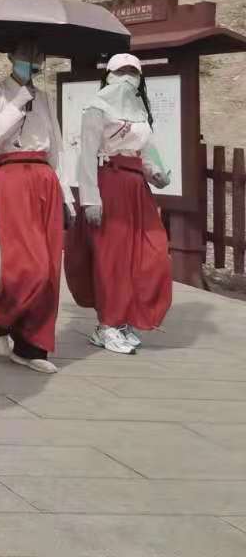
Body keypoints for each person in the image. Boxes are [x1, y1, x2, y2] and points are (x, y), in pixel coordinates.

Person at [0, 40, 74, 373]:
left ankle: (31, 345)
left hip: (45, 176)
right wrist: (19, 101)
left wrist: (67, 197)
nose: (32, 60)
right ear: (10, 56)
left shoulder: (44, 97)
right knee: (28, 263)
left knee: (49, 266)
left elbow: (56, 148)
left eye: (38, 55)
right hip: (13, 173)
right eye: (25, 54)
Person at [77, 53, 173, 355]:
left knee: (151, 253)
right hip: (110, 184)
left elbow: (145, 151)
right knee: (113, 258)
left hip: (137, 189)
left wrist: (156, 173)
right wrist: (90, 199)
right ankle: (107, 324)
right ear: (109, 75)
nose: (127, 77)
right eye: (122, 71)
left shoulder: (140, 109)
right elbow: (87, 155)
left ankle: (125, 318)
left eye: (133, 72)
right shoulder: (96, 107)